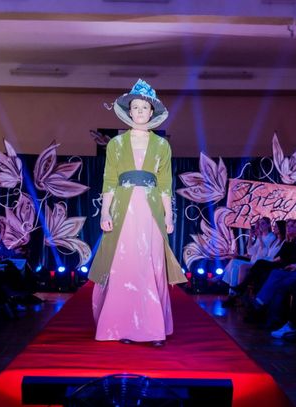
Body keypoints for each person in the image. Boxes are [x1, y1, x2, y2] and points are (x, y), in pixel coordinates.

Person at [89, 79, 186, 347]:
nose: (140, 111)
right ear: (129, 111)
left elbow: (165, 184)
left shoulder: (162, 145)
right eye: (136, 107)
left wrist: (168, 216)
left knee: (151, 264)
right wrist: (104, 213)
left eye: (145, 107)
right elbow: (109, 180)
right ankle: (122, 326)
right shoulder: (116, 144)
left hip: (151, 210)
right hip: (123, 209)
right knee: (124, 264)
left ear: (152, 112)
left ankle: (153, 329)